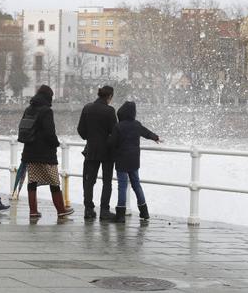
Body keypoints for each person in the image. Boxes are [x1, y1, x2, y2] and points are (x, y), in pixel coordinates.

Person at [20, 85, 73, 219]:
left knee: (32, 182)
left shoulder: (29, 109)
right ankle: (61, 210)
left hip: (30, 151)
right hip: (45, 153)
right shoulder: (46, 111)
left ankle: (33, 211)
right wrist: (56, 143)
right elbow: (50, 132)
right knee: (54, 181)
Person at [108, 101, 159, 222]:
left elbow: (111, 143)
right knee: (136, 185)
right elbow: (146, 133)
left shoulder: (118, 126)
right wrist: (156, 137)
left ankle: (120, 214)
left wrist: (107, 140)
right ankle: (144, 212)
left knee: (122, 186)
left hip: (121, 160)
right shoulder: (137, 124)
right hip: (134, 160)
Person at [77, 85, 118, 220]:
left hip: (91, 150)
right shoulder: (110, 111)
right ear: (110, 96)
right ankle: (104, 211)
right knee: (107, 182)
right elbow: (114, 132)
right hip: (107, 151)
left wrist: (90, 138)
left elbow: (81, 130)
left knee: (89, 181)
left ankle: (88, 210)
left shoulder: (87, 108)